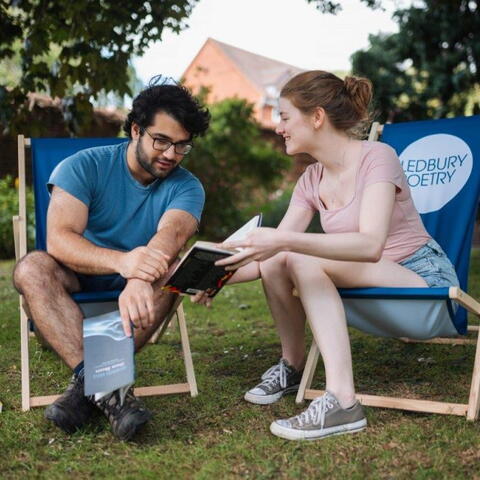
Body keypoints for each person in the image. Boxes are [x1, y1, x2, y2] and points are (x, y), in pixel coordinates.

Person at [198, 70, 459, 441]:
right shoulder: (310, 180)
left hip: (425, 293)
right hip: (368, 294)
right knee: (279, 258)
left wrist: (284, 242)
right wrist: (214, 278)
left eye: (285, 117)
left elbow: (370, 245)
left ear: (317, 117)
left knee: (294, 253)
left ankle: (343, 401)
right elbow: (268, 254)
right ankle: (292, 365)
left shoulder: (378, 157)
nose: (278, 127)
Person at [12, 78, 210, 441]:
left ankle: (86, 387)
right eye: (161, 140)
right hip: (76, 281)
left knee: (174, 264)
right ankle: (109, 390)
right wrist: (123, 263)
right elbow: (59, 241)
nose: (170, 154)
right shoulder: (84, 166)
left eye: (182, 146)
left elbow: (170, 237)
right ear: (135, 130)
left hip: (138, 291)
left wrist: (136, 276)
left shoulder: (187, 186)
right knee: (31, 267)